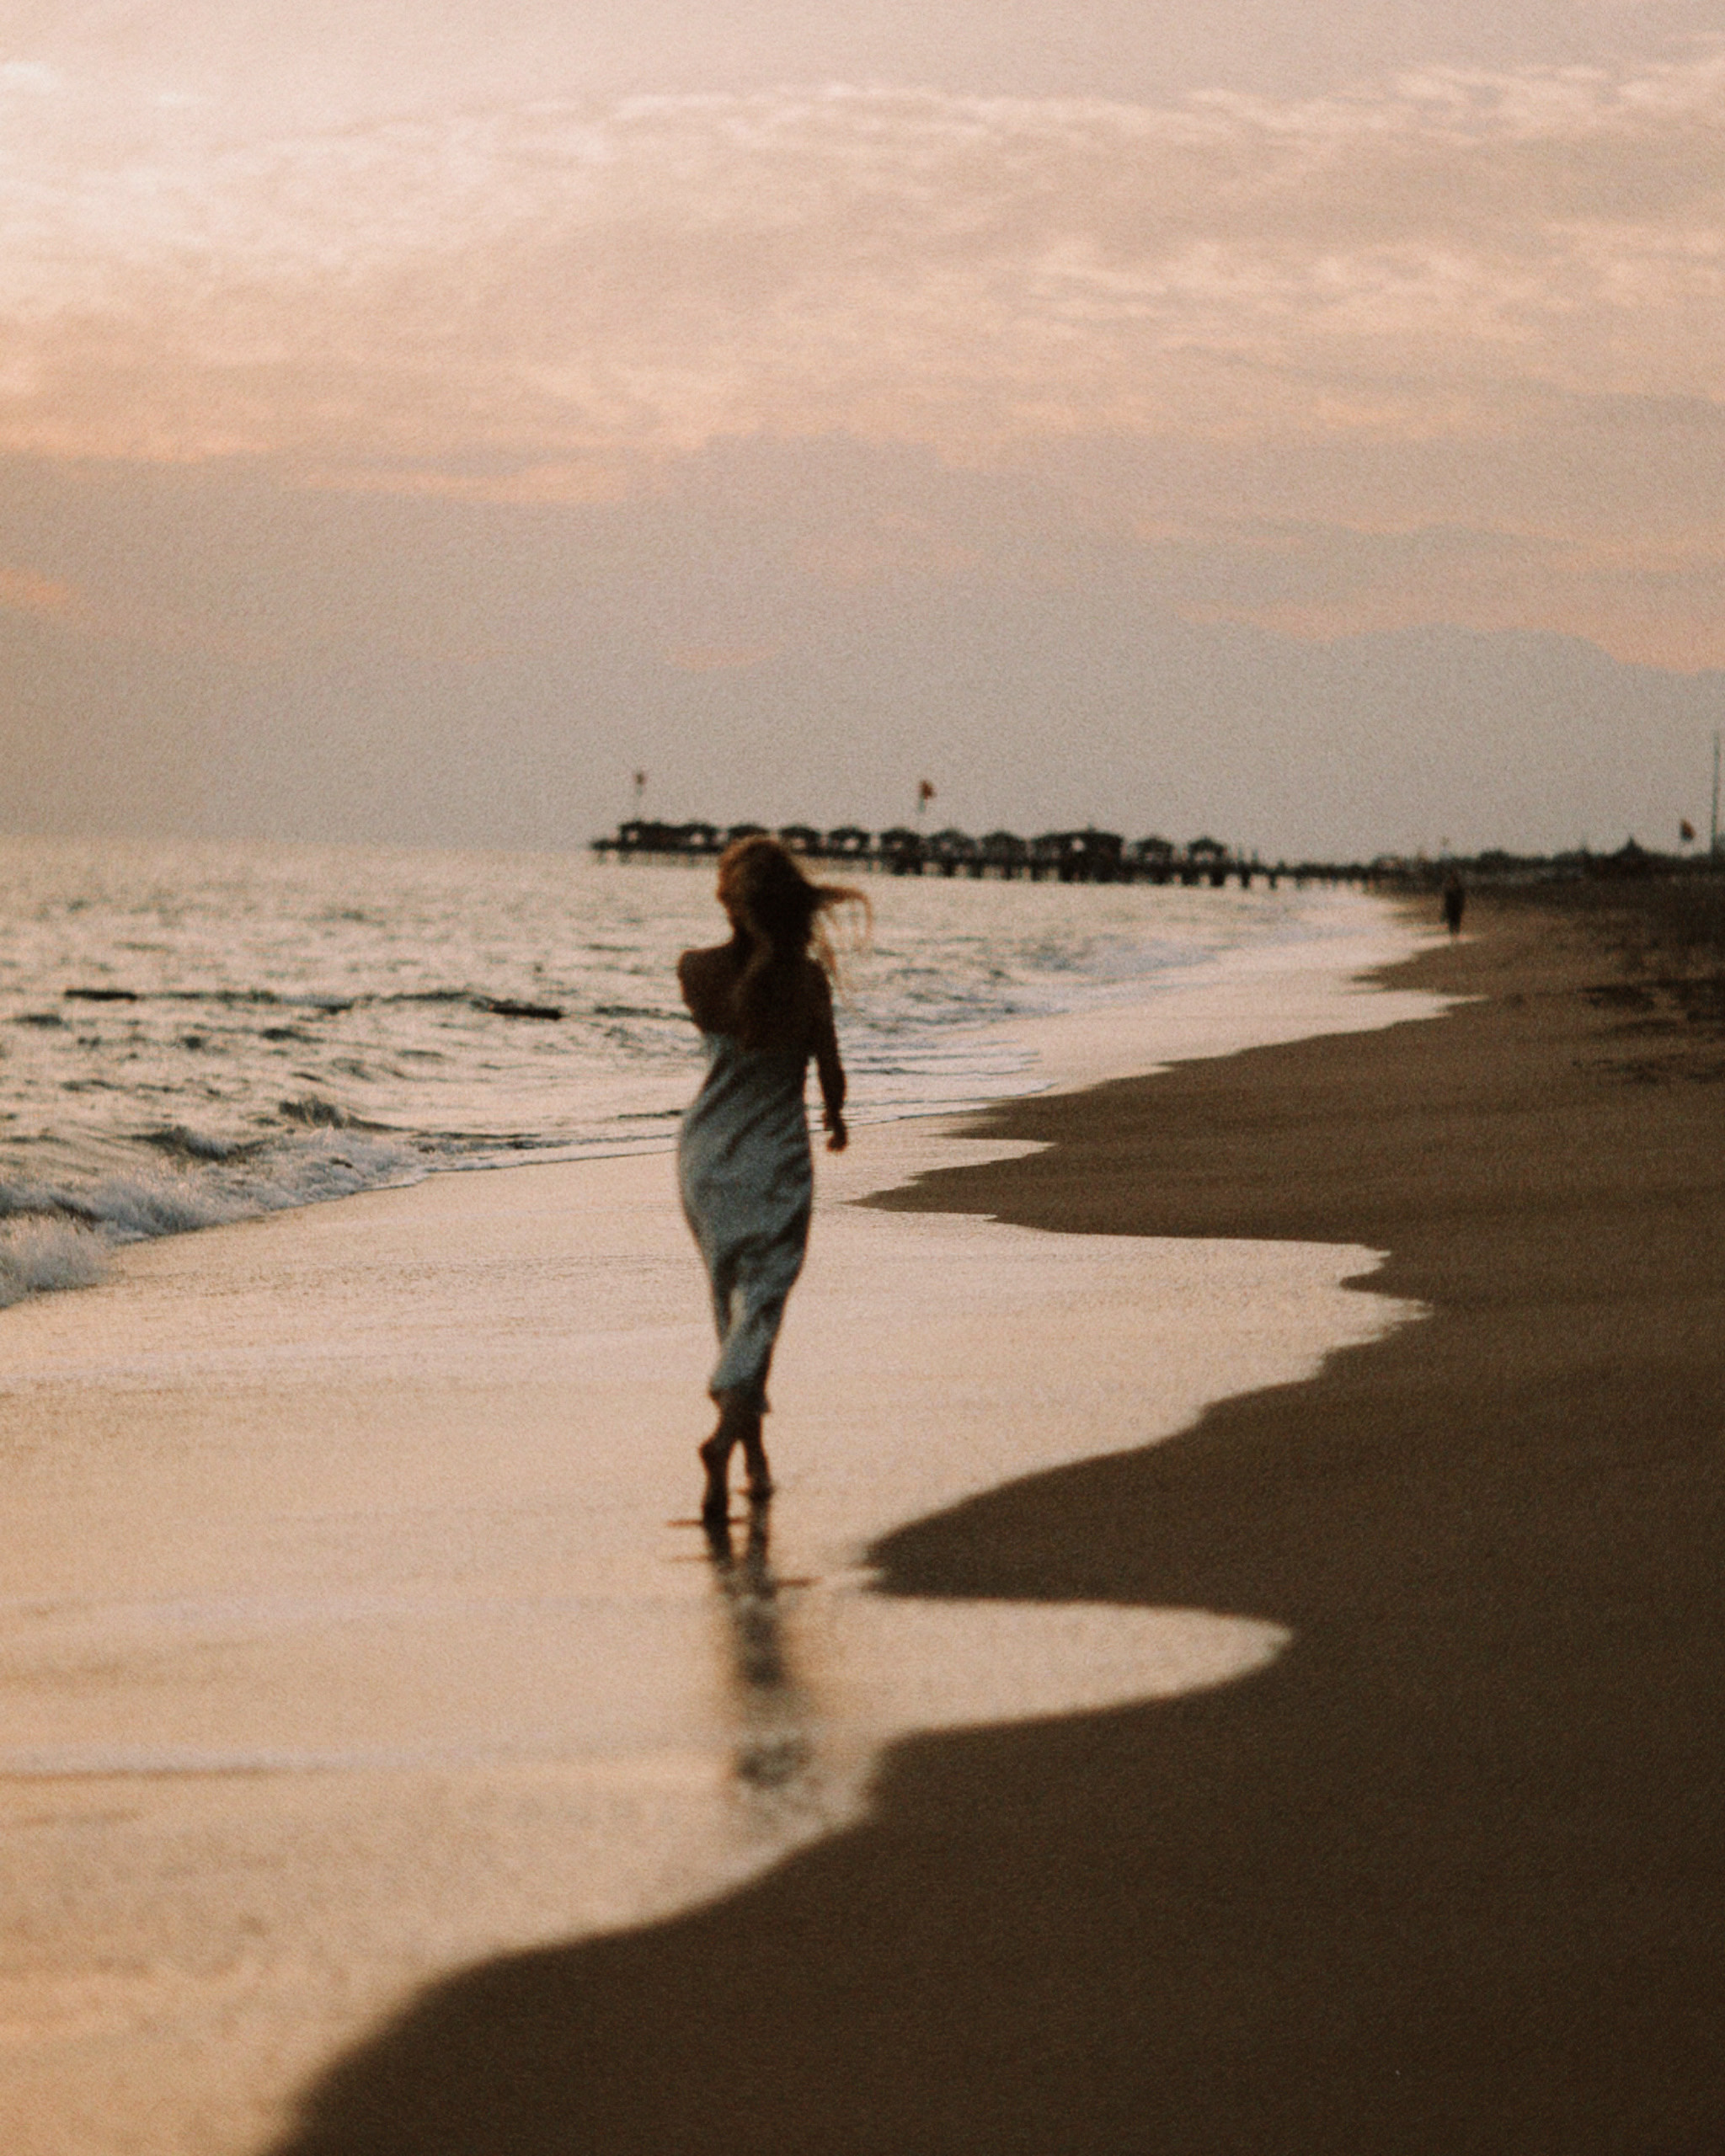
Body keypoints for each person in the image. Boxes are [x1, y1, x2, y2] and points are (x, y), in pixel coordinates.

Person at [676, 836, 865, 1521]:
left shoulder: (694, 970)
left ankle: (753, 1457)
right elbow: (829, 1068)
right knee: (763, 1302)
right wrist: (837, 1120)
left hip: (704, 1155)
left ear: (728, 899)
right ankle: (727, 1436)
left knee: (729, 1301)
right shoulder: (808, 980)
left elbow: (726, 1029)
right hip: (776, 1155)